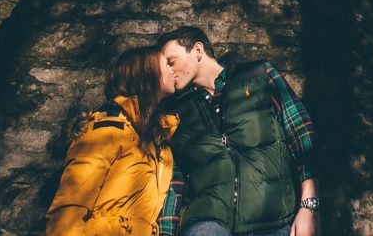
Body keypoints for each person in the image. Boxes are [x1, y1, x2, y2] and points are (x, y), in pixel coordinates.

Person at [155, 26, 319, 236]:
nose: (169, 71)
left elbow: (301, 133)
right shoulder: (175, 114)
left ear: (197, 50)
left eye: (172, 61)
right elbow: (173, 183)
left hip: (275, 222)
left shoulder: (258, 74)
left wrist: (309, 207)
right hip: (208, 224)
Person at [46, 46, 180, 236]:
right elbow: (69, 208)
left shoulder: (155, 141)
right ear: (146, 75)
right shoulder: (106, 131)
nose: (173, 70)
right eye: (166, 64)